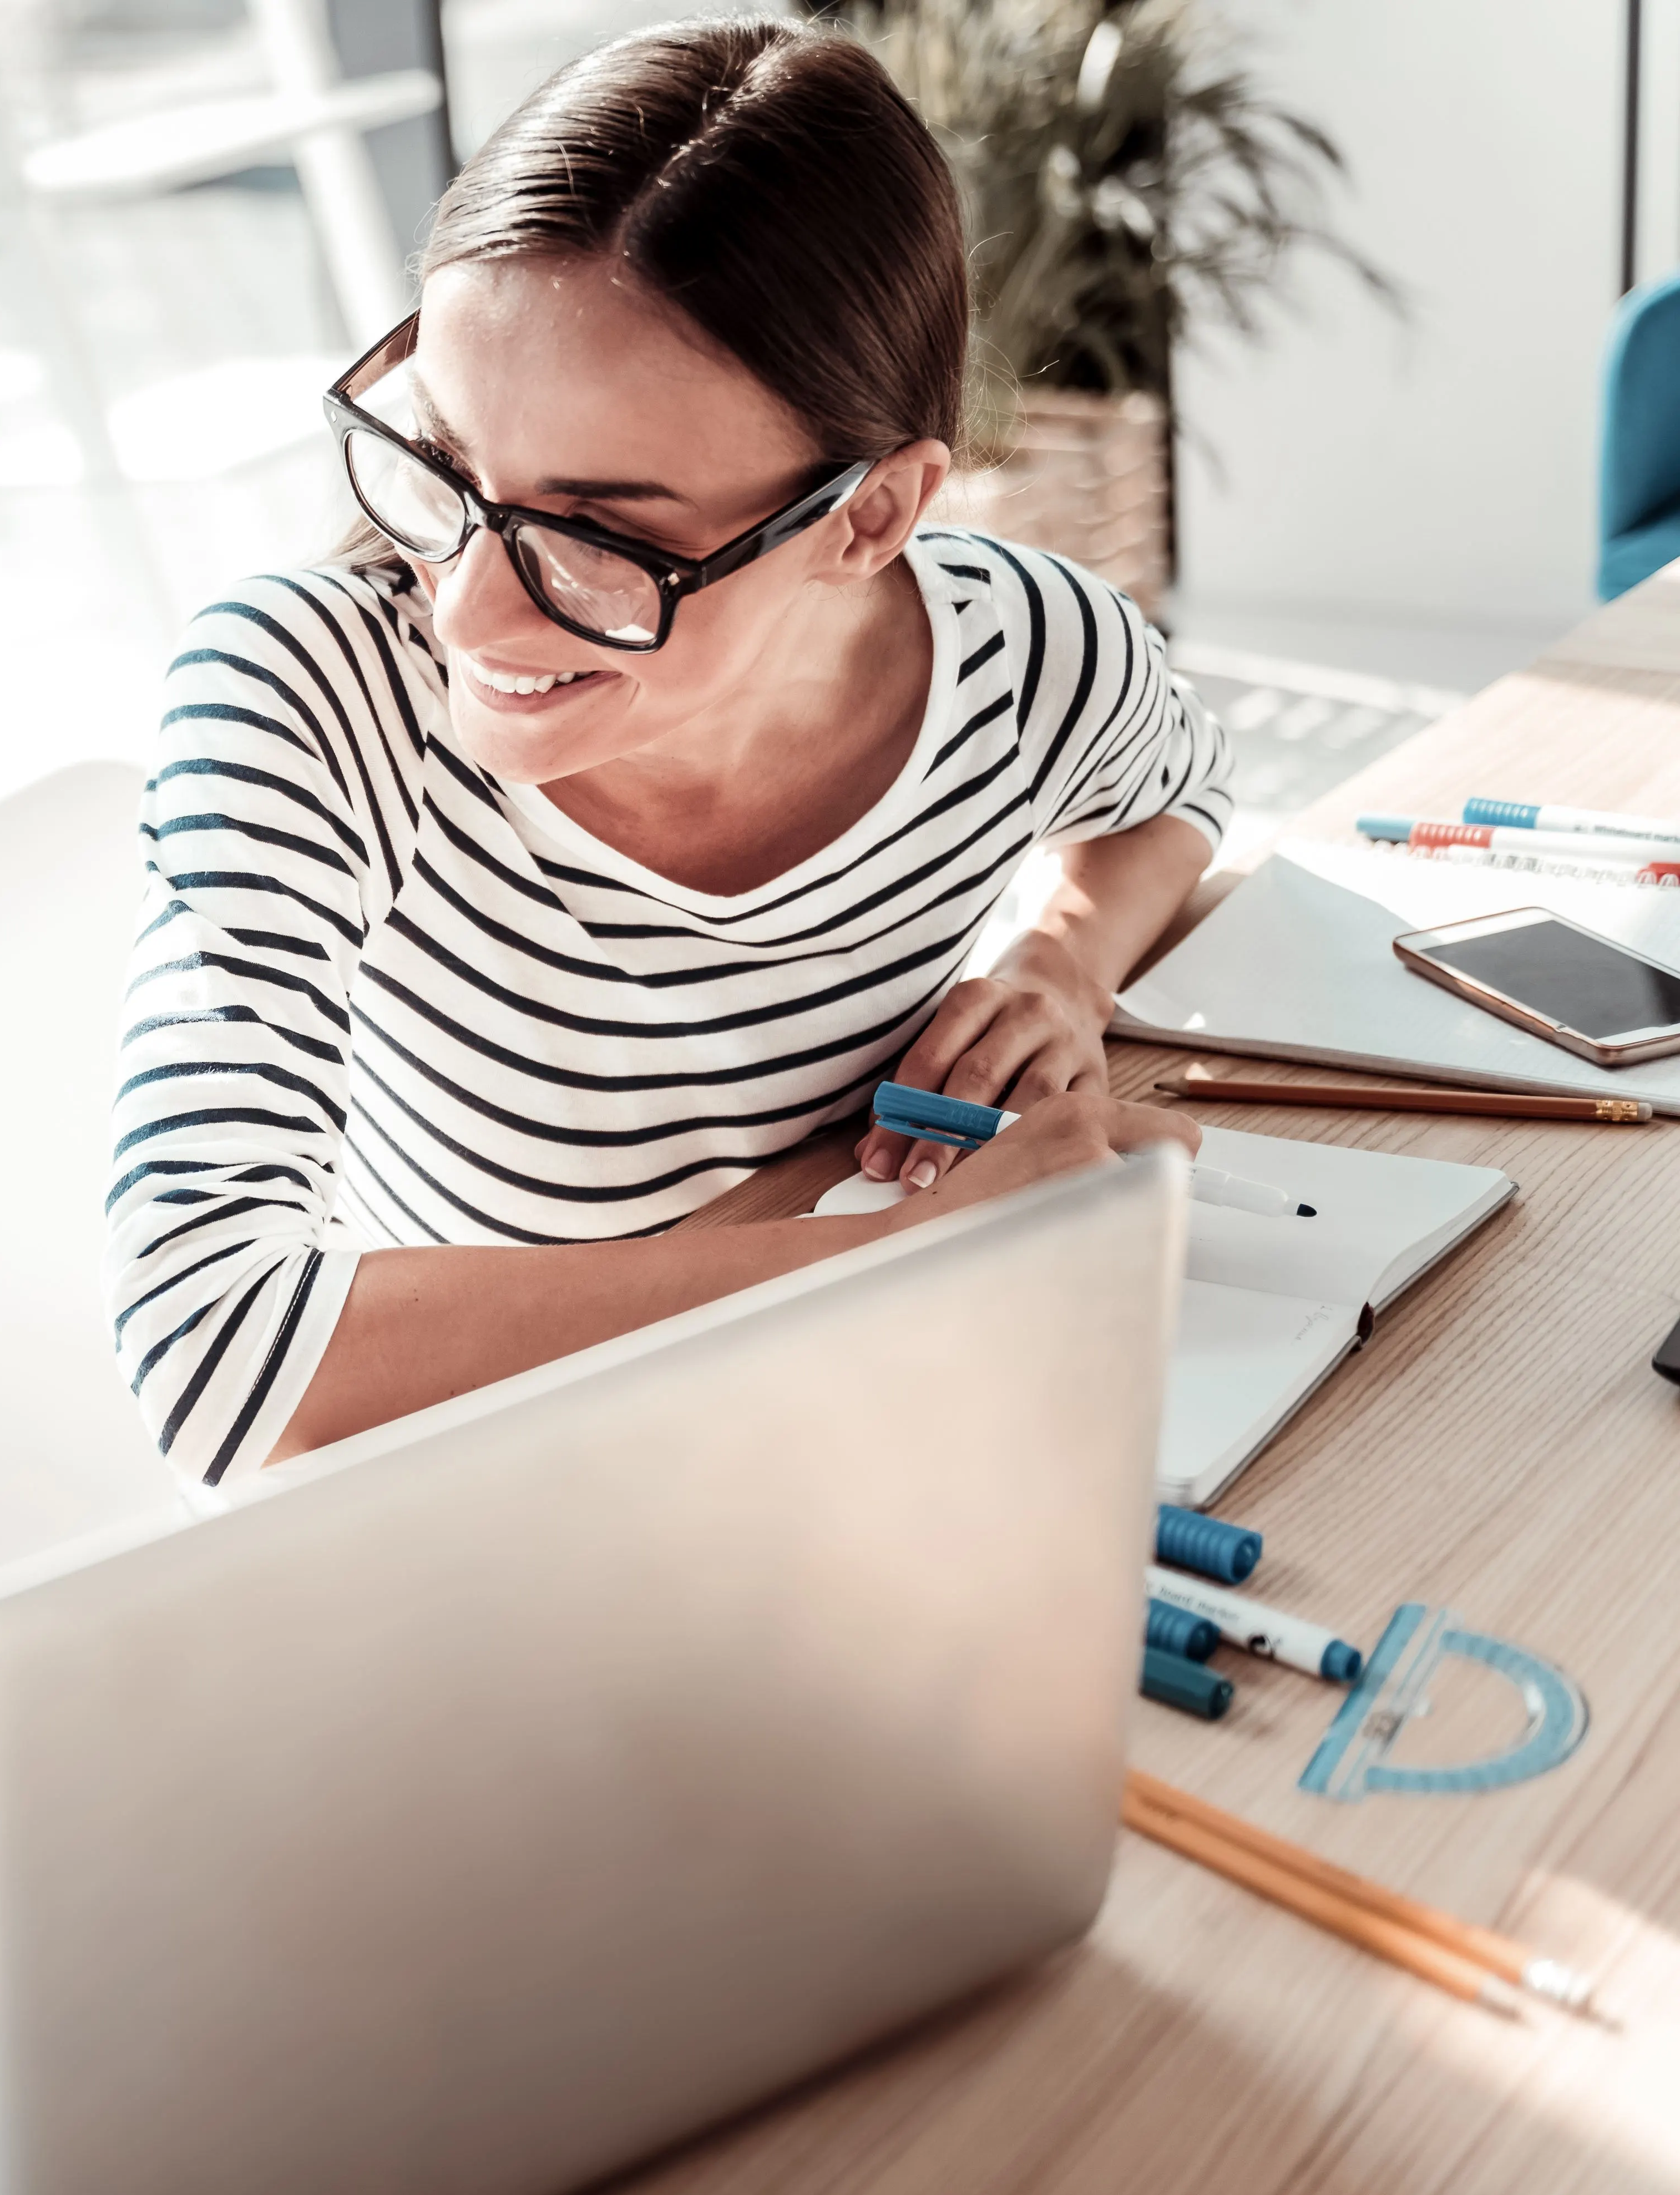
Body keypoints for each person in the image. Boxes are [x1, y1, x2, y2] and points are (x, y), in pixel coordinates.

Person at [109, 18, 1222, 1486]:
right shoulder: (308, 698)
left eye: (605, 536)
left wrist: (1062, 959)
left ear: (871, 518)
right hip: (496, 1499)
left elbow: (1178, 797)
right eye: (444, 464)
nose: (468, 604)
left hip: (834, 1446)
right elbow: (212, 1348)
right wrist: (904, 1258)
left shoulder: (1026, 654)